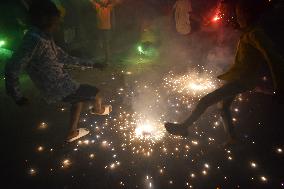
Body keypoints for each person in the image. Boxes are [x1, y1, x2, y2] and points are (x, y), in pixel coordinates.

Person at [165, 0, 284, 144]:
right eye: (238, 15)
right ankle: (233, 138)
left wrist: (280, 86)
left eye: (241, 16)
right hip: (240, 78)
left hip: (241, 80)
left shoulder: (255, 34)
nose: (238, 18)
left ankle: (184, 127)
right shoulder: (249, 33)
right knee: (223, 107)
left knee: (205, 101)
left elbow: (274, 58)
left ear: (249, 16)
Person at [5, 0, 112, 142]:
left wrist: (93, 64)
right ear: (44, 19)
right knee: (97, 93)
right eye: (55, 22)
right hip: (59, 88)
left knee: (78, 101)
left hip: (60, 85)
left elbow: (64, 57)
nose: (57, 25)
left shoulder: (43, 36)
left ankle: (72, 133)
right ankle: (98, 110)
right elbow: (12, 67)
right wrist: (18, 97)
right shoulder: (34, 40)